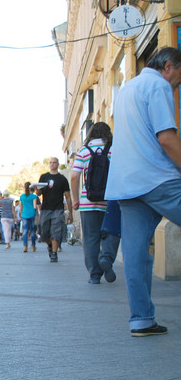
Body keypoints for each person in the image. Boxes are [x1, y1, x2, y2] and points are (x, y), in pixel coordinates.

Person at [105, 47, 181, 337]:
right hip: (158, 179)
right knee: (136, 254)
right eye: (179, 79)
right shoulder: (159, 85)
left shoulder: (127, 89)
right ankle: (141, 320)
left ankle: (141, 321)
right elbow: (167, 138)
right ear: (170, 68)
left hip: (127, 182)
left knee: (135, 255)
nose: (177, 86)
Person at [70, 122, 121, 284]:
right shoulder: (114, 150)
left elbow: (74, 176)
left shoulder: (83, 151)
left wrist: (76, 199)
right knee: (111, 233)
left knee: (91, 238)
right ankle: (106, 258)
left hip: (87, 202)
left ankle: (94, 275)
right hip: (110, 201)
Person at [36, 157, 72, 262]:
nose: (52, 164)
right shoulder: (44, 177)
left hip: (58, 209)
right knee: (44, 232)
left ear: (58, 164)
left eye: (54, 162)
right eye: (50, 162)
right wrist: (36, 189)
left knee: (56, 231)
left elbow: (68, 196)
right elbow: (39, 193)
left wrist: (70, 213)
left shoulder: (62, 179)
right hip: (46, 208)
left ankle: (54, 253)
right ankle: (50, 246)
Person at [19, 182, 38, 253]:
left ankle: (25, 246)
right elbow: (35, 206)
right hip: (32, 214)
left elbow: (21, 207)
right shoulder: (34, 196)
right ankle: (33, 245)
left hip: (24, 215)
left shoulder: (22, 197)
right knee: (33, 231)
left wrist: (21, 214)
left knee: (25, 231)